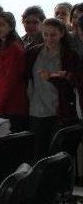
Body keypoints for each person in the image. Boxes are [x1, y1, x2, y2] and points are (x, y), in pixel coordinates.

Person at [27, 18, 80, 161]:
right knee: (38, 154)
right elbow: (26, 79)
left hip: (60, 111)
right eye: (46, 34)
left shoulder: (70, 55)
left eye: (53, 35)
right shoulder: (33, 53)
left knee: (58, 156)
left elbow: (74, 84)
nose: (49, 38)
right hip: (37, 110)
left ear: (62, 33)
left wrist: (54, 78)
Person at [0, 12, 28, 132]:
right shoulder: (5, 45)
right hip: (6, 100)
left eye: (2, 25)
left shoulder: (13, 48)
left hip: (12, 103)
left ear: (11, 27)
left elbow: (10, 80)